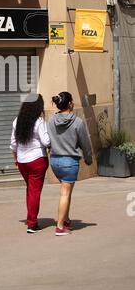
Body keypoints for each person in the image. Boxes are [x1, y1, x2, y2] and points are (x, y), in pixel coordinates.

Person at [48, 91, 92, 236]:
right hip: (69, 162)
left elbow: (48, 140)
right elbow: (85, 143)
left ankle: (65, 219)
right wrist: (88, 157)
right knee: (65, 194)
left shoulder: (50, 120)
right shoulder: (78, 122)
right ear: (71, 103)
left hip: (54, 161)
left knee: (66, 192)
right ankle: (60, 227)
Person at [10, 93, 50, 233]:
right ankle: (32, 224)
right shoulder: (39, 122)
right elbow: (46, 142)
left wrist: (16, 159)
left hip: (22, 161)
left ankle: (30, 218)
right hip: (37, 160)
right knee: (34, 191)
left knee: (30, 190)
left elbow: (13, 144)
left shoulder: (17, 121)